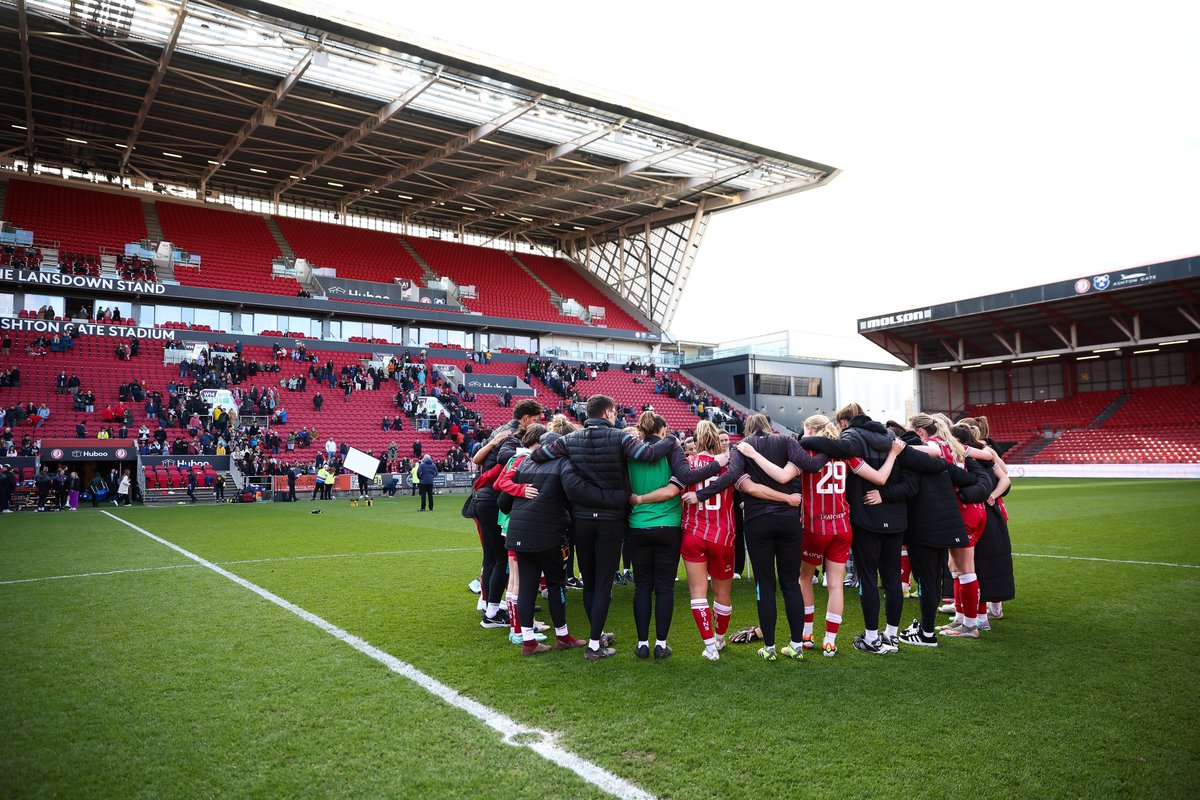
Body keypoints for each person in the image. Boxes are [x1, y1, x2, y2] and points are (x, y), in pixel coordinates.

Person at [531, 394, 721, 661]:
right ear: (608, 413)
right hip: (629, 520)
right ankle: (632, 643)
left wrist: (569, 468)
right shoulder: (624, 439)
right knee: (645, 586)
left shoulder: (572, 439)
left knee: (608, 584)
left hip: (596, 521)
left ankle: (615, 641)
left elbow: (539, 454)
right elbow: (654, 456)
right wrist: (671, 440)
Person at [739, 414, 904, 657]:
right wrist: (892, 454)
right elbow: (880, 478)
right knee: (835, 584)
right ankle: (830, 641)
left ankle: (806, 636)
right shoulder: (846, 456)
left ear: (810, 429)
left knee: (804, 579)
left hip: (814, 527)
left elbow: (783, 477)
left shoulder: (806, 456)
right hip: (841, 527)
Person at [687, 413, 826, 662]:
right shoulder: (786, 441)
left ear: (747, 429)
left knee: (765, 583)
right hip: (788, 519)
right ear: (769, 427)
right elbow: (812, 464)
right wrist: (832, 446)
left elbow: (732, 478)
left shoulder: (742, 447)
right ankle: (795, 644)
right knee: (791, 583)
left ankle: (770, 648)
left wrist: (701, 494)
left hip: (758, 521)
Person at [508, 426, 589, 655]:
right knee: (556, 584)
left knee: (527, 586)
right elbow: (572, 496)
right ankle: (563, 636)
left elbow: (504, 500)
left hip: (519, 533)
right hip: (546, 534)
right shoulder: (563, 464)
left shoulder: (525, 463)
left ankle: (528, 641)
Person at [471, 400, 545, 630]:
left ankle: (488, 604)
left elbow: (479, 458)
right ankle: (491, 610)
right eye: (535, 419)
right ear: (525, 418)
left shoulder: (500, 430)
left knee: (493, 557)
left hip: (483, 496)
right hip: (492, 497)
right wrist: (525, 456)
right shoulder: (513, 435)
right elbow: (504, 459)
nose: (537, 425)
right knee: (501, 558)